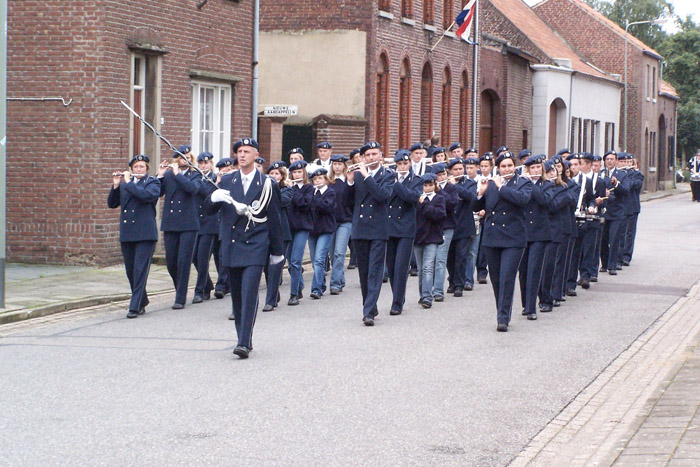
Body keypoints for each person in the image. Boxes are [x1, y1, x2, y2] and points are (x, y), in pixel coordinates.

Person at [208, 138, 284, 359]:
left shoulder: (267, 183)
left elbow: (275, 218)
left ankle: (244, 340)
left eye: (246, 151)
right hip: (232, 244)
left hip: (256, 244)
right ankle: (242, 336)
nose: (242, 155)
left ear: (256, 155)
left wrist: (277, 251)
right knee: (237, 296)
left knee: (249, 291)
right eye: (239, 151)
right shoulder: (227, 180)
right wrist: (213, 198)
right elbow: (208, 210)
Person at [473, 151, 532, 332]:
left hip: (513, 238)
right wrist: (480, 194)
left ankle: (503, 317)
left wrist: (501, 188)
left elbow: (522, 200)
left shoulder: (523, 183)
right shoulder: (490, 184)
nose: (507, 169)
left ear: (514, 167)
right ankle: (502, 309)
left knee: (507, 277)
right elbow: (476, 208)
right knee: (496, 278)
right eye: (503, 166)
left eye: (509, 165)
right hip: (492, 237)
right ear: (497, 168)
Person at [344, 141, 395, 326]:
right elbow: (346, 202)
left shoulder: (388, 175)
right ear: (363, 158)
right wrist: (349, 181)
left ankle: (368, 313)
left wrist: (366, 176)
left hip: (378, 229)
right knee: (364, 273)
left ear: (381, 155)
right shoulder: (357, 176)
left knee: (375, 271)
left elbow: (382, 196)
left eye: (374, 154)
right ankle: (370, 305)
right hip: (360, 228)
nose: (371, 158)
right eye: (368, 155)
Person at [108, 155, 160, 319]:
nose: (139, 170)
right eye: (136, 167)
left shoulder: (153, 183)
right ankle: (142, 300)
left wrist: (129, 183)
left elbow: (146, 196)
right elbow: (112, 203)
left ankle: (134, 306)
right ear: (131, 169)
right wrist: (116, 186)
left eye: (142, 167)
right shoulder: (125, 185)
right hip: (128, 233)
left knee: (140, 270)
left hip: (145, 234)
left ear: (146, 169)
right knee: (130, 270)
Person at [157, 145, 202, 309]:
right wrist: (160, 176)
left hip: (188, 223)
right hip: (171, 222)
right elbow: (158, 193)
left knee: (184, 261)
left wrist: (177, 174)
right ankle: (180, 288)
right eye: (183, 157)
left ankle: (180, 297)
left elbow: (192, 189)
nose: (186, 160)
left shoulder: (196, 174)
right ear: (176, 159)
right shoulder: (169, 175)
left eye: (189, 157)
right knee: (171, 262)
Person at [385, 149, 422, 315]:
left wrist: (396, 183)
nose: (402, 167)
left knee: (401, 266)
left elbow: (411, 197)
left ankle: (397, 302)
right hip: (390, 226)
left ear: (410, 164)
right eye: (399, 164)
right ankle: (397, 296)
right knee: (392, 266)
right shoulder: (389, 179)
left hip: (406, 228)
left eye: (405, 163)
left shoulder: (416, 180)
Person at [517, 155, 552, 320]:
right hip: (523, 232)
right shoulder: (521, 184)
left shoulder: (547, 185)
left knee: (533, 270)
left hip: (539, 233)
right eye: (532, 168)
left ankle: (532, 308)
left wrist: (531, 183)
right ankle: (525, 304)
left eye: (538, 168)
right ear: (527, 170)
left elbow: (544, 201)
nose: (536, 171)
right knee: (523, 271)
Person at [538, 161, 570, 313]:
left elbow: (552, 206)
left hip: (553, 232)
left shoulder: (562, 188)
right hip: (536, 231)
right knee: (535, 268)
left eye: (554, 171)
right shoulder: (538, 187)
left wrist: (544, 191)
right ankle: (535, 298)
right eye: (548, 171)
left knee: (549, 267)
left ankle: (547, 298)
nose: (551, 173)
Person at [262, 161, 293, 312]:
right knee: (267, 268)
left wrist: (275, 188)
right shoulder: (263, 189)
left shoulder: (287, 190)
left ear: (282, 177)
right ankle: (274, 293)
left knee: (276, 267)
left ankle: (270, 300)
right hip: (266, 231)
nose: (274, 176)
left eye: (277, 174)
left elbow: (282, 201)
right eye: (272, 173)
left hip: (282, 233)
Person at [445, 159, 477, 297]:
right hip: (449, 225)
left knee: (461, 256)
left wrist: (455, 186)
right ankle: (452, 281)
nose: (459, 172)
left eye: (460, 169)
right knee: (449, 257)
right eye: (455, 169)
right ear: (450, 171)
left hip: (464, 225)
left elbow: (471, 197)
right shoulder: (444, 184)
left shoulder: (470, 183)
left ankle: (459, 284)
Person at [414, 173, 446, 309]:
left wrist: (424, 203)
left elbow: (438, 215)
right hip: (418, 237)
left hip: (432, 237)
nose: (428, 188)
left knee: (428, 267)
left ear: (435, 185)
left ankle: (428, 296)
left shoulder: (439, 199)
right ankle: (422, 294)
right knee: (421, 269)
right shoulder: (416, 199)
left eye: (430, 185)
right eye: (425, 185)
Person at [191, 152, 218, 304]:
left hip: (209, 223)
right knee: (194, 257)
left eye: (206, 163)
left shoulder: (215, 178)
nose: (203, 166)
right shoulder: (195, 177)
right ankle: (207, 284)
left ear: (210, 164)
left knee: (203, 258)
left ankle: (200, 290)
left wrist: (198, 183)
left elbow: (207, 192)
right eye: (200, 163)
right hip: (196, 222)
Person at [287, 160, 313, 306]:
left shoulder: (308, 188)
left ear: (304, 173)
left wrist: (293, 190)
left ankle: (294, 294)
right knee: (290, 263)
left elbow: (304, 204)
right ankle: (300, 285)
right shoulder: (289, 188)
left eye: (299, 172)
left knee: (296, 261)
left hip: (302, 227)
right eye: (294, 172)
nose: (297, 174)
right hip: (289, 228)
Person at [307, 168, 336, 299]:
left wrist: (315, 196)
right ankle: (322, 284)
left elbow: (327, 207)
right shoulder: (311, 193)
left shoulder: (330, 192)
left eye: (320, 178)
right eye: (315, 179)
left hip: (326, 229)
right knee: (314, 261)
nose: (317, 181)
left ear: (325, 180)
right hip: (312, 230)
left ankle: (316, 289)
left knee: (319, 259)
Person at [599, 151, 629, 275]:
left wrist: (616, 184)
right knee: (603, 239)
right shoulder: (601, 174)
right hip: (604, 211)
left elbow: (625, 191)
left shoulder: (622, 174)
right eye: (607, 159)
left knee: (614, 238)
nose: (609, 161)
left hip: (617, 212)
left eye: (612, 159)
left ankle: (612, 265)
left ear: (616, 161)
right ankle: (604, 264)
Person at [432, 162, 458, 301]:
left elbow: (452, 203)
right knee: (430, 260)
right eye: (439, 175)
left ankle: (438, 291)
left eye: (443, 174)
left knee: (441, 259)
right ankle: (427, 290)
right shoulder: (428, 187)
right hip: (431, 227)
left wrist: (439, 190)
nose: (442, 177)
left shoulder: (451, 188)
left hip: (447, 227)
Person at [328, 155, 353, 295]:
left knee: (339, 253)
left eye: (339, 164)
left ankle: (335, 284)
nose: (337, 166)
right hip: (331, 221)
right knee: (332, 254)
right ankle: (341, 279)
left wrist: (350, 182)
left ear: (344, 166)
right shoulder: (328, 182)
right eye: (335, 164)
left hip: (345, 220)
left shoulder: (348, 182)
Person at [475, 153, 495, 284]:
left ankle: (482, 271)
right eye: (481, 166)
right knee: (475, 245)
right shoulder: (476, 180)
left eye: (486, 166)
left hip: (488, 216)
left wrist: (486, 211)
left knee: (484, 245)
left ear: (491, 167)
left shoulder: (494, 181)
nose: (484, 169)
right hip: (476, 215)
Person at [621, 154, 644, 265]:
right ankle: (618, 254)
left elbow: (632, 185)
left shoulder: (637, 175)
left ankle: (627, 255)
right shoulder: (618, 174)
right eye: (625, 161)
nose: (627, 164)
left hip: (632, 206)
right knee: (619, 232)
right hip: (620, 207)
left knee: (629, 233)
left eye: (629, 161)